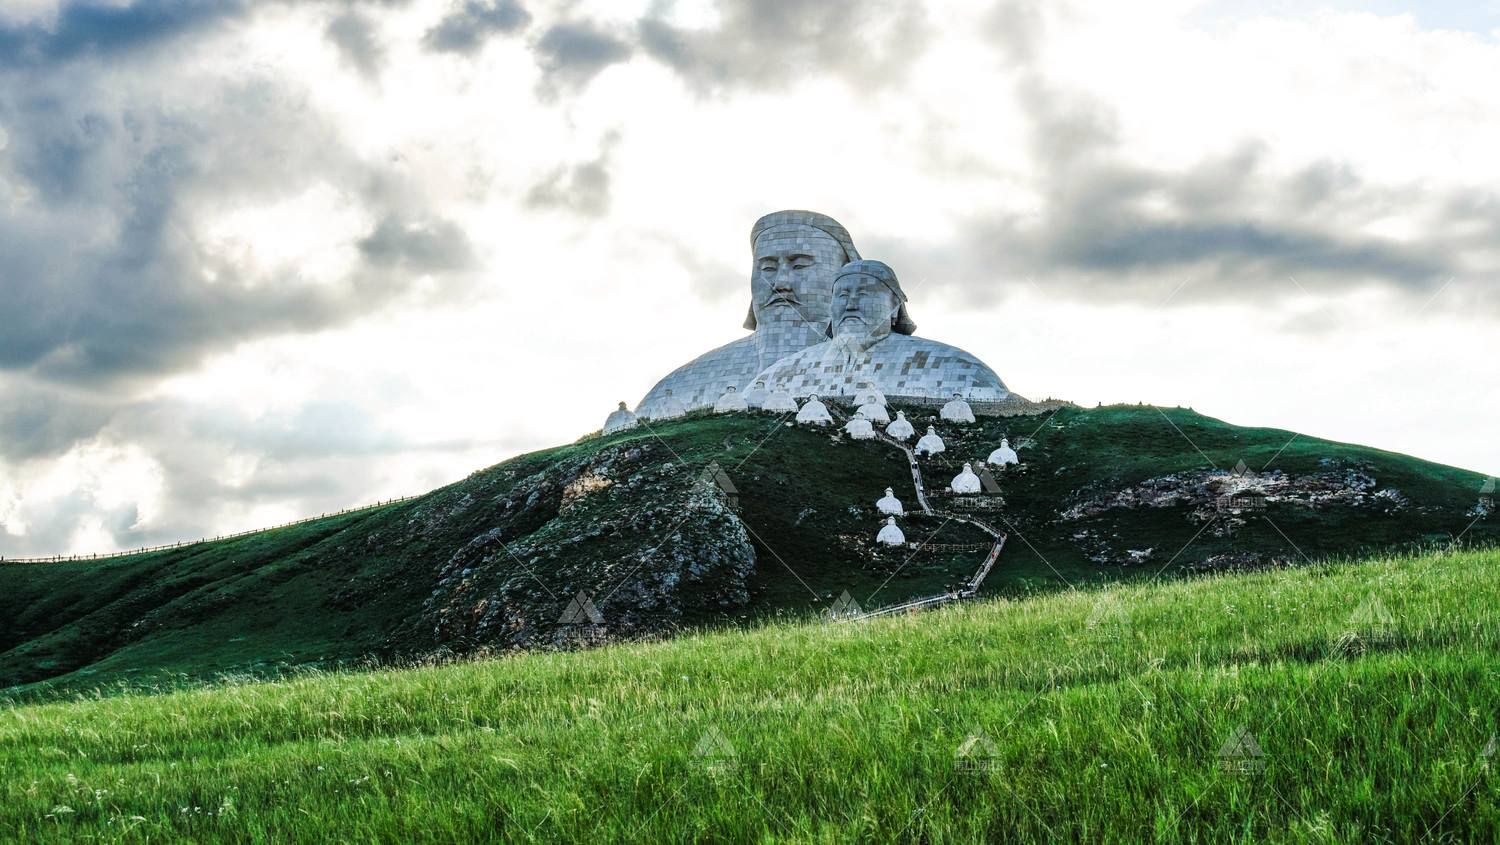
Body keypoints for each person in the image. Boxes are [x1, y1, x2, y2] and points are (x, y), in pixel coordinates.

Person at [635, 210, 860, 416]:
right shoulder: (672, 388)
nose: (781, 283)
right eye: (768, 268)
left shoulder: (890, 363)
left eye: (799, 265)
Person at [750, 260, 1010, 403]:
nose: (851, 303)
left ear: (895, 308)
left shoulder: (958, 368)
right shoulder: (780, 373)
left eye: (864, 295)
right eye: (842, 295)